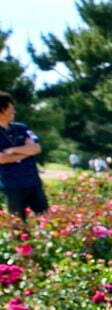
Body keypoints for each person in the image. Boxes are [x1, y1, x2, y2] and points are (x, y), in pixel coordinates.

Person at [0, 92, 48, 220]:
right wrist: (25, 153)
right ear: (2, 109)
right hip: (12, 184)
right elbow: (1, 159)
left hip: (33, 181)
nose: (14, 111)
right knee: (18, 223)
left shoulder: (22, 128)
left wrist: (12, 150)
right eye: (11, 107)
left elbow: (36, 148)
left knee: (46, 218)